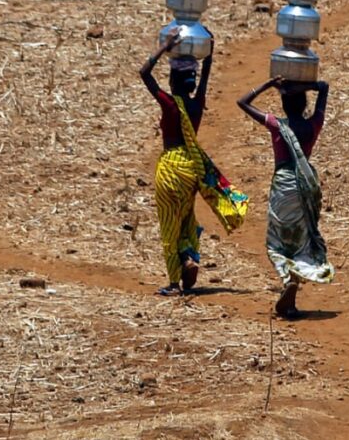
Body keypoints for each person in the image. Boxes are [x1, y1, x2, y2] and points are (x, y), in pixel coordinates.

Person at [140, 28, 248, 296]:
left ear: (173, 82)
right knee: (186, 217)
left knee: (169, 223)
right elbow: (206, 78)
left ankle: (174, 282)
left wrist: (165, 46)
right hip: (191, 169)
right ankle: (189, 257)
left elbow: (144, 73)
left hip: (170, 168)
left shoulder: (170, 104)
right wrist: (209, 51)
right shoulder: (197, 105)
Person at [237, 77, 334, 318]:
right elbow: (325, 88)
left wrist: (267, 84)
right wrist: (309, 86)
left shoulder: (277, 125)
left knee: (276, 243)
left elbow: (242, 102)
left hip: (283, 186)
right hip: (306, 185)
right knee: (301, 239)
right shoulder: (314, 125)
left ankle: (287, 278)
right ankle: (293, 285)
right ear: (303, 105)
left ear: (283, 105)